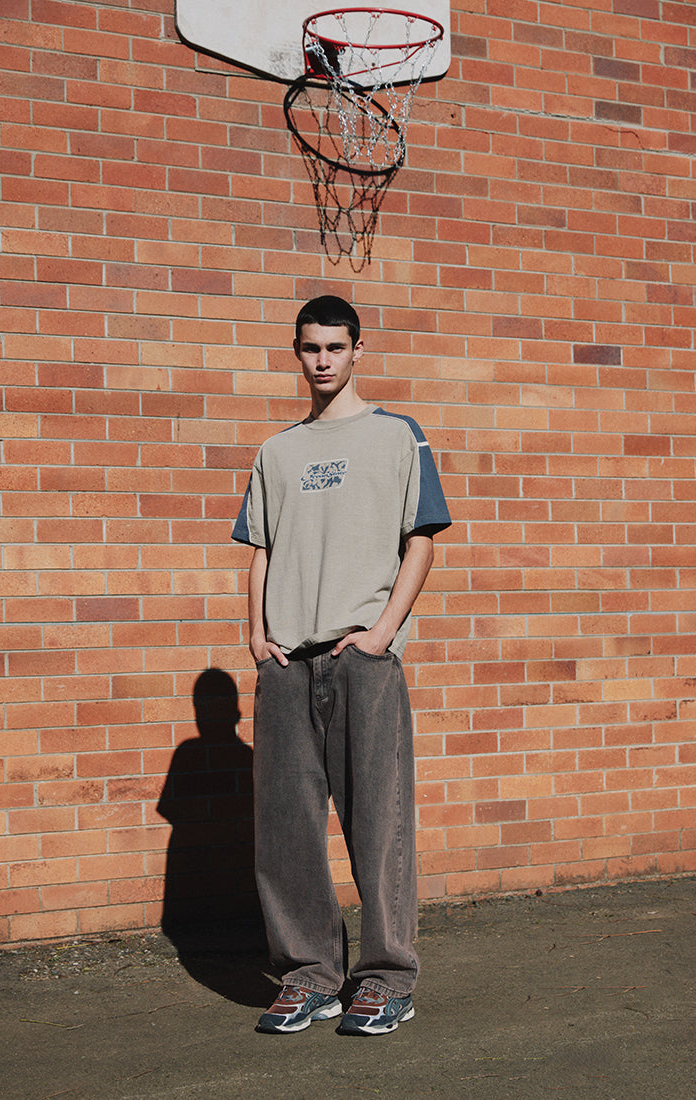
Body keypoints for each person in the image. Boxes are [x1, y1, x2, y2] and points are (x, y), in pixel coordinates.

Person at [232, 295, 451, 1035]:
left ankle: (386, 979)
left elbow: (421, 539)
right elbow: (261, 549)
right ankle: (311, 975)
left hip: (361, 659)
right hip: (287, 664)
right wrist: (256, 636)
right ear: (296, 353)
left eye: (334, 346)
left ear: (358, 349)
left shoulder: (398, 437)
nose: (321, 360)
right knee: (286, 831)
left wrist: (384, 632)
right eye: (309, 347)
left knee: (379, 822)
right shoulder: (277, 451)